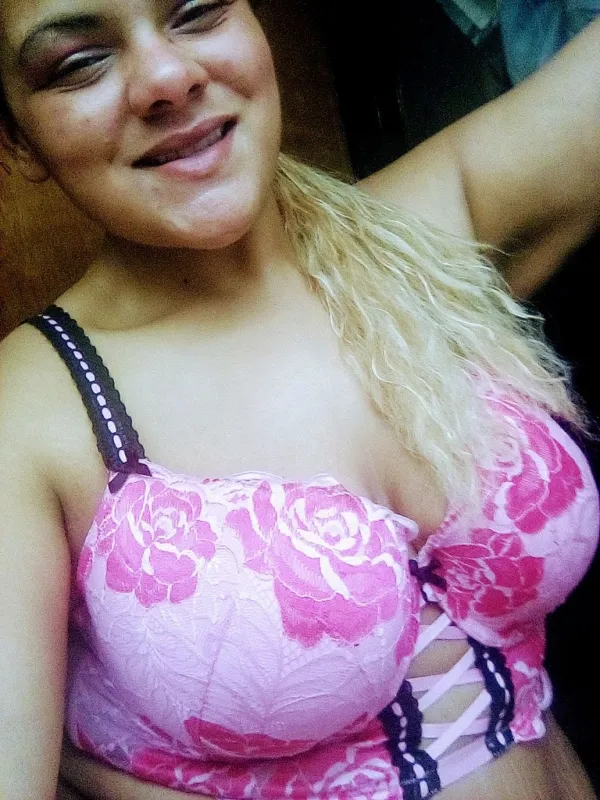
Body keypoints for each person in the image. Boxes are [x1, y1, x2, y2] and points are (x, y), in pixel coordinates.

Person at [0, 2, 599, 798]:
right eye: (79, 63)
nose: (168, 77)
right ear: (18, 139)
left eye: (197, 11)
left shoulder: (414, 249)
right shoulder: (28, 418)